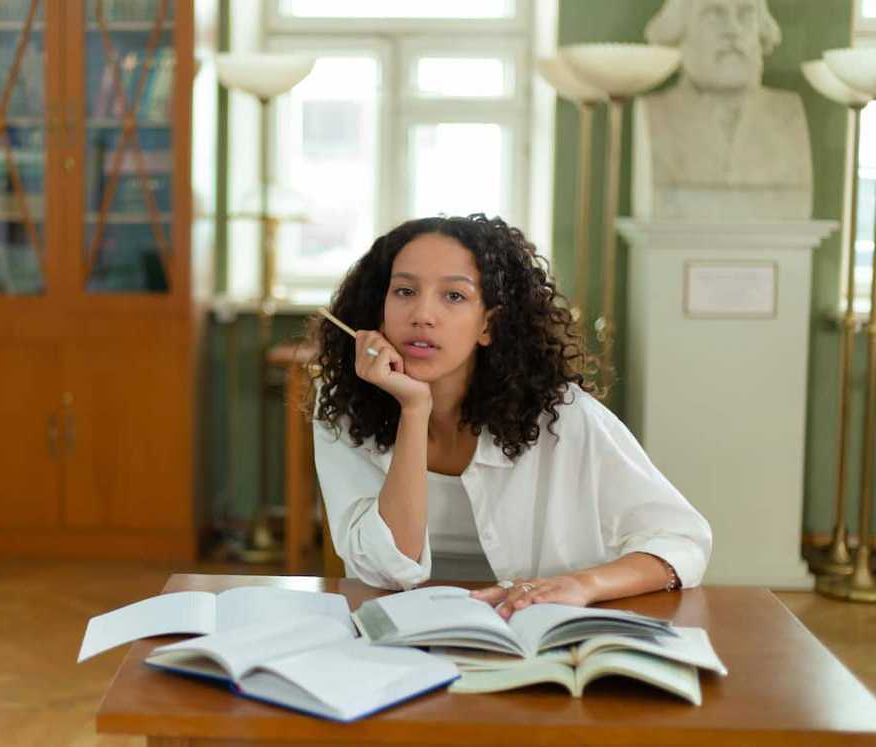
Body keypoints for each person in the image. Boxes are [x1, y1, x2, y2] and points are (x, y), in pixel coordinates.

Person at [309, 214, 711, 618]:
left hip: (533, 630)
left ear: (488, 323)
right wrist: (414, 410)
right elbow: (385, 569)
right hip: (402, 634)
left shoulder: (562, 416)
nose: (422, 315)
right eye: (404, 290)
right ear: (379, 311)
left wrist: (583, 584)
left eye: (454, 296)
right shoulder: (345, 409)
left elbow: (682, 541)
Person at [633, 0, 812, 220]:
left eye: (745, 15)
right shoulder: (659, 114)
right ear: (681, 34)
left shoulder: (787, 115)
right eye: (713, 15)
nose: (733, 30)